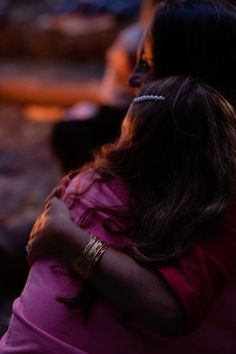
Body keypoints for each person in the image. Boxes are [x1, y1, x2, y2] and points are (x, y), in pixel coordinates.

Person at [1, 75, 236, 353]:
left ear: (132, 138)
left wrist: (67, 237)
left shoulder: (82, 184)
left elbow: (169, 311)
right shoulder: (209, 213)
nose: (132, 76)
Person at [51, 0, 161, 172]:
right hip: (119, 112)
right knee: (68, 131)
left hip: (135, 113)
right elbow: (131, 80)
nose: (135, 77)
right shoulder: (134, 39)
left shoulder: (147, 38)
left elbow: (137, 86)